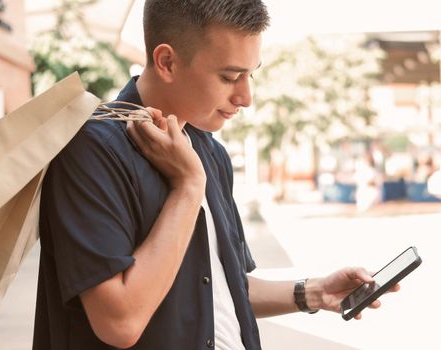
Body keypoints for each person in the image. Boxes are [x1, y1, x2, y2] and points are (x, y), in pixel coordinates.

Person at [33, 1, 398, 349]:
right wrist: (188, 188)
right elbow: (119, 322)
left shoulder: (210, 152)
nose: (246, 97)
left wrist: (315, 292)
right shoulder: (91, 151)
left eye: (250, 75)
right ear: (166, 62)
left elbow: (220, 286)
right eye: (230, 77)